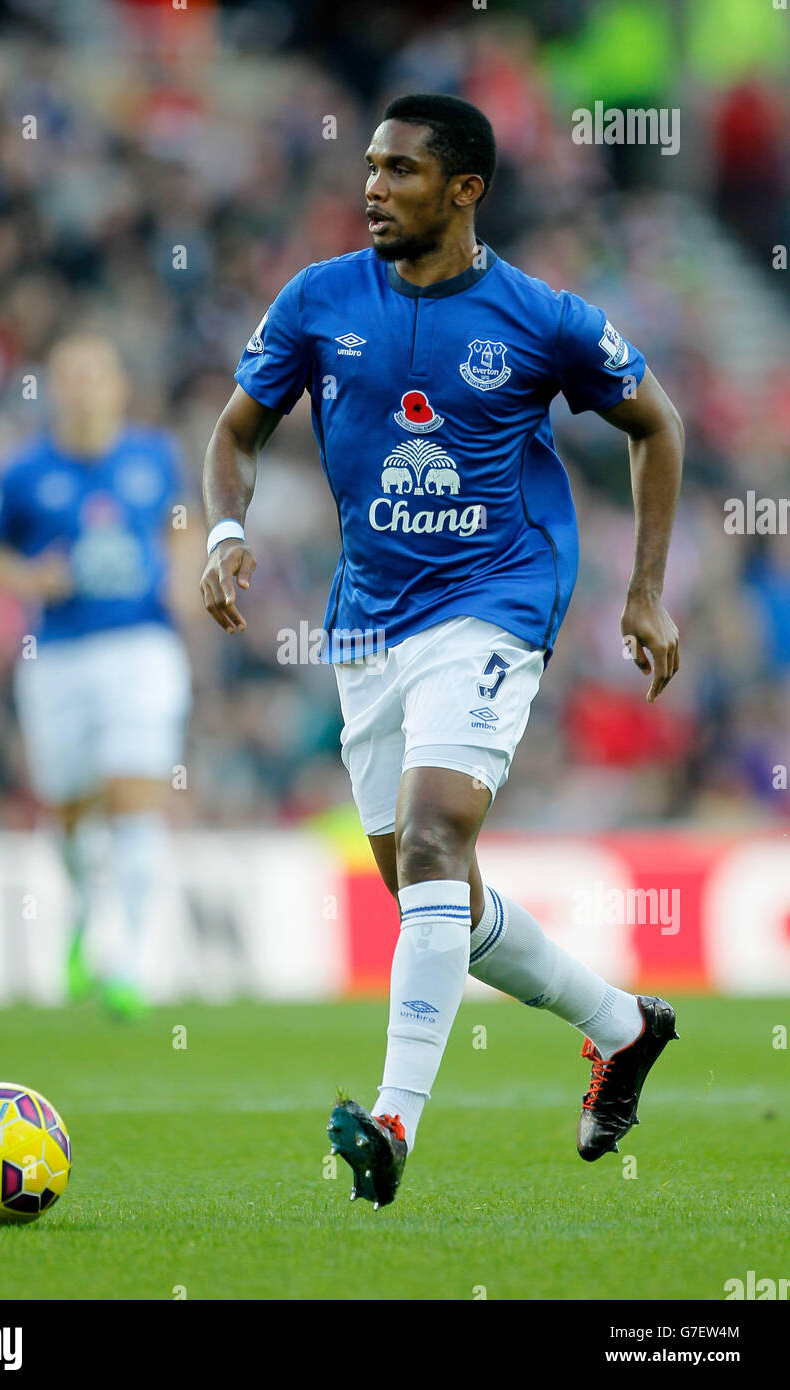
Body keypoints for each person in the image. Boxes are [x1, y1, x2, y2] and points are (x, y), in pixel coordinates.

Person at [200, 93, 683, 1206]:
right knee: (434, 896)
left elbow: (657, 423)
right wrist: (227, 530)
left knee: (431, 840)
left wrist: (645, 590)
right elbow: (236, 431)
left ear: (464, 190)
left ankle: (392, 1125)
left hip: (497, 598)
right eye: (369, 167)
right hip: (366, 617)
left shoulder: (539, 316)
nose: (372, 186)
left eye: (401, 171)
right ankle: (625, 1026)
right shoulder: (320, 300)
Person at [0, 332, 191, 1018]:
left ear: (119, 385)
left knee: (134, 791)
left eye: (97, 375)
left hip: (143, 646)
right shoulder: (22, 472)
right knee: (69, 809)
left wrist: (183, 575)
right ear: (53, 388)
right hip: (57, 657)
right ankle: (84, 917)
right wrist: (30, 576)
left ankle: (128, 960)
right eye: (72, 377)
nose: (85, 389)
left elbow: (183, 524)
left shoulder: (155, 457)